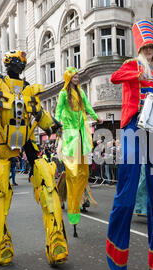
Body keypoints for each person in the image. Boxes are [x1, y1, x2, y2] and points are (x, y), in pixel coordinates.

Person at [0, 50, 65, 266]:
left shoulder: (28, 89)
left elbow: (40, 114)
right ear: (7, 64)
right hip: (5, 142)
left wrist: (53, 124)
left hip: (27, 141)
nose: (19, 66)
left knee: (47, 182)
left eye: (22, 63)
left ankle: (56, 239)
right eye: (15, 62)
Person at [107, 20, 153, 270]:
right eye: (145, 48)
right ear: (140, 48)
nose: (149, 52)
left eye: (152, 49)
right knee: (126, 194)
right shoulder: (132, 65)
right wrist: (137, 74)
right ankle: (117, 258)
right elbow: (115, 78)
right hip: (133, 128)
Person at [55, 66, 103, 237]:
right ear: (69, 78)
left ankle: (79, 201)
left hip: (81, 134)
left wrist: (96, 117)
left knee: (83, 173)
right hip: (69, 135)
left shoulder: (81, 93)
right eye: (74, 77)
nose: (77, 79)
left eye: (77, 77)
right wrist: (57, 124)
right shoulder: (62, 94)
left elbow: (88, 107)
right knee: (72, 174)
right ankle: (72, 208)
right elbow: (58, 110)